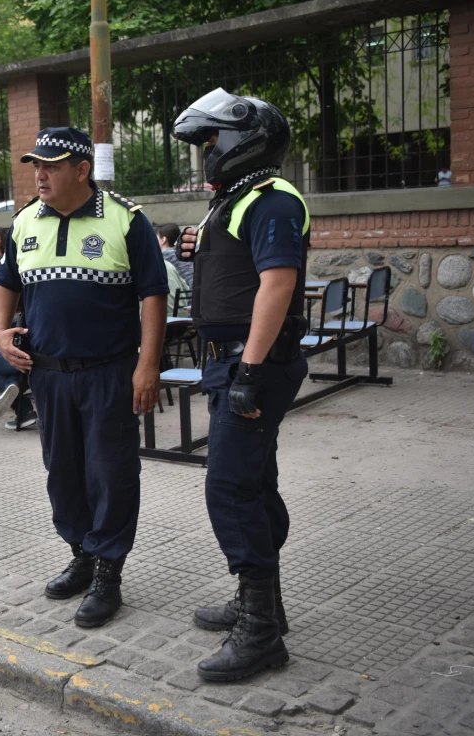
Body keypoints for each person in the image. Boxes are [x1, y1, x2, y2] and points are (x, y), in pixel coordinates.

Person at [0, 126, 168, 629]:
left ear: (81, 169)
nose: (39, 175)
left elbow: (153, 295)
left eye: (50, 165)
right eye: (35, 166)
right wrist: (0, 334)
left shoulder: (125, 220)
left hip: (109, 373)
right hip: (48, 376)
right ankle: (81, 554)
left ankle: (109, 570)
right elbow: (6, 284)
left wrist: (147, 365)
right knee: (62, 470)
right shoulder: (25, 222)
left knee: (110, 471)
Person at [171, 88, 310, 682]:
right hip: (230, 360)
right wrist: (191, 254)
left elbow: (277, 285)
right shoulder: (234, 201)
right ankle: (265, 605)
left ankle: (258, 632)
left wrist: (249, 371)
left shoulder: (273, 199)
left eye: (212, 140)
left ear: (244, 140)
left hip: (252, 363)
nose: (207, 151)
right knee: (254, 483)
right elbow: (233, 276)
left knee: (229, 488)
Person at [155, 223, 194, 288]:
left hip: (184, 294)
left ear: (163, 240)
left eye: (157, 238)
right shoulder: (183, 252)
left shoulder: (165, 255)